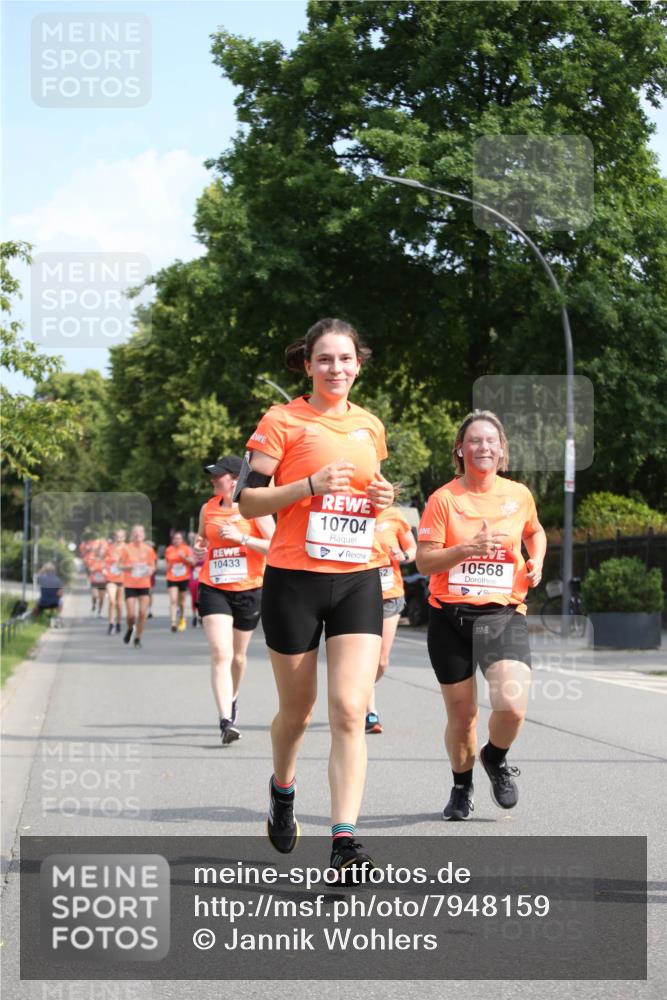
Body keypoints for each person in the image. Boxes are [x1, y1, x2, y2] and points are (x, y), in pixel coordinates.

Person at [236, 317, 394, 880]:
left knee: (351, 709)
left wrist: (383, 497)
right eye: (325, 359)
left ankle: (344, 842)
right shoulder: (282, 420)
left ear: (359, 364)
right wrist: (307, 486)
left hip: (357, 576)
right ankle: (283, 789)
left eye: (346, 359)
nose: (336, 368)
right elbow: (249, 503)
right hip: (293, 579)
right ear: (307, 364)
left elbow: (367, 504)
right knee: (298, 713)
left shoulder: (370, 427)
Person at [416, 409, 546, 821]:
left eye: (491, 441)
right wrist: (466, 550)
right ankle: (461, 787)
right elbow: (424, 562)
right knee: (463, 714)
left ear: (501, 450)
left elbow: (534, 531)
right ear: (461, 448)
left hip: (504, 614)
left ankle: (496, 756)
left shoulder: (518, 494)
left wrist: (537, 559)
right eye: (474, 440)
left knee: (512, 705)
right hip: (450, 617)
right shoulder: (444, 500)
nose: (483, 447)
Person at [193, 456, 274, 745]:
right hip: (213, 586)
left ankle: (233, 696)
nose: (214, 481)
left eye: (219, 476)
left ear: (235, 479)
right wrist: (199, 548)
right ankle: (225, 719)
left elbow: (276, 546)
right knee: (221, 654)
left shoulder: (254, 507)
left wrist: (242, 539)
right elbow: (203, 539)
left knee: (238, 657)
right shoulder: (208, 508)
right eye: (213, 477)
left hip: (249, 588)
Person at [365, 506, 417, 734]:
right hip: (358, 595)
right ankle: (370, 713)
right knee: (365, 659)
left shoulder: (394, 516)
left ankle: (358, 691)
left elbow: (413, 548)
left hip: (390, 595)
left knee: (381, 661)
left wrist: (404, 556)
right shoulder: (353, 511)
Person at [118, 524, 157, 649]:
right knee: (130, 615)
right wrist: (129, 567)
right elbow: (119, 566)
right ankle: (130, 628)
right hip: (130, 584)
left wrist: (151, 570)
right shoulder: (126, 548)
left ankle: (138, 637)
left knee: (142, 613)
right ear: (132, 535)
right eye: (135, 532)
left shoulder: (148, 549)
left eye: (140, 532)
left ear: (144, 535)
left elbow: (153, 566)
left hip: (144, 584)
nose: (137, 535)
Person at [165, 531, 195, 632]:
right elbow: (167, 562)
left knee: (182, 602)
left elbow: (193, 562)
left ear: (182, 540)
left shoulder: (186, 549)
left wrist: (184, 557)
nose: (176, 540)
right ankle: (173, 622)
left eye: (179, 538)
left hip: (184, 578)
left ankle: (182, 618)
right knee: (173, 600)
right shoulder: (169, 549)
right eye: (175, 538)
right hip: (172, 577)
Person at [105, 528, 126, 635]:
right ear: (114, 537)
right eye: (117, 536)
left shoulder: (127, 549)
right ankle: (111, 624)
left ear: (124, 538)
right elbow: (106, 561)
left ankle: (118, 622)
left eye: (121, 537)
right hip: (111, 578)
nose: (119, 539)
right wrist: (105, 569)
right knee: (112, 601)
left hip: (122, 579)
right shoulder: (110, 548)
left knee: (119, 604)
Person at [34, 562, 64, 626]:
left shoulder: (42, 579)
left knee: (37, 602)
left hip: (43, 603)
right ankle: (58, 616)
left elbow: (36, 576)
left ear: (45, 571)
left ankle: (35, 620)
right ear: (54, 571)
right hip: (55, 603)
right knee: (61, 601)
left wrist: (43, 568)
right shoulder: (58, 580)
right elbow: (60, 594)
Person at [86, 539, 108, 617]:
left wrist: (105, 570)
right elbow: (90, 569)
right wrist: (98, 569)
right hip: (94, 580)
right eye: (99, 550)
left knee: (102, 598)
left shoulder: (106, 559)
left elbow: (109, 569)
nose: (100, 552)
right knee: (95, 596)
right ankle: (94, 605)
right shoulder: (92, 558)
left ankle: (100, 612)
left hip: (103, 581)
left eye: (102, 550)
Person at [187, 531, 205, 627]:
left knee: (202, 597)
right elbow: (189, 561)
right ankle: (194, 615)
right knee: (194, 596)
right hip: (194, 577)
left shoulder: (208, 549)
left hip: (204, 577)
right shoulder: (190, 550)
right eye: (197, 539)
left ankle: (201, 615)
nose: (199, 541)